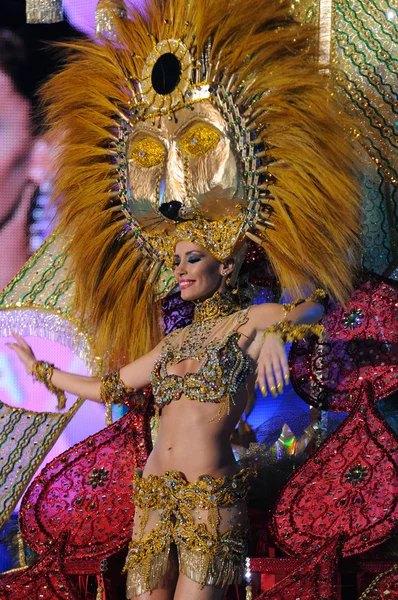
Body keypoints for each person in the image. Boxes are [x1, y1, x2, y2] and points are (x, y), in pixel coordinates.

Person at [5, 0, 361, 597]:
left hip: (207, 494)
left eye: (191, 260)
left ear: (225, 262)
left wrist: (280, 329)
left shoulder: (250, 317)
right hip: (154, 491)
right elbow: (116, 386)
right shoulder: (175, 339)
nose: (181, 271)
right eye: (176, 263)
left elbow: (311, 305)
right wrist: (45, 373)